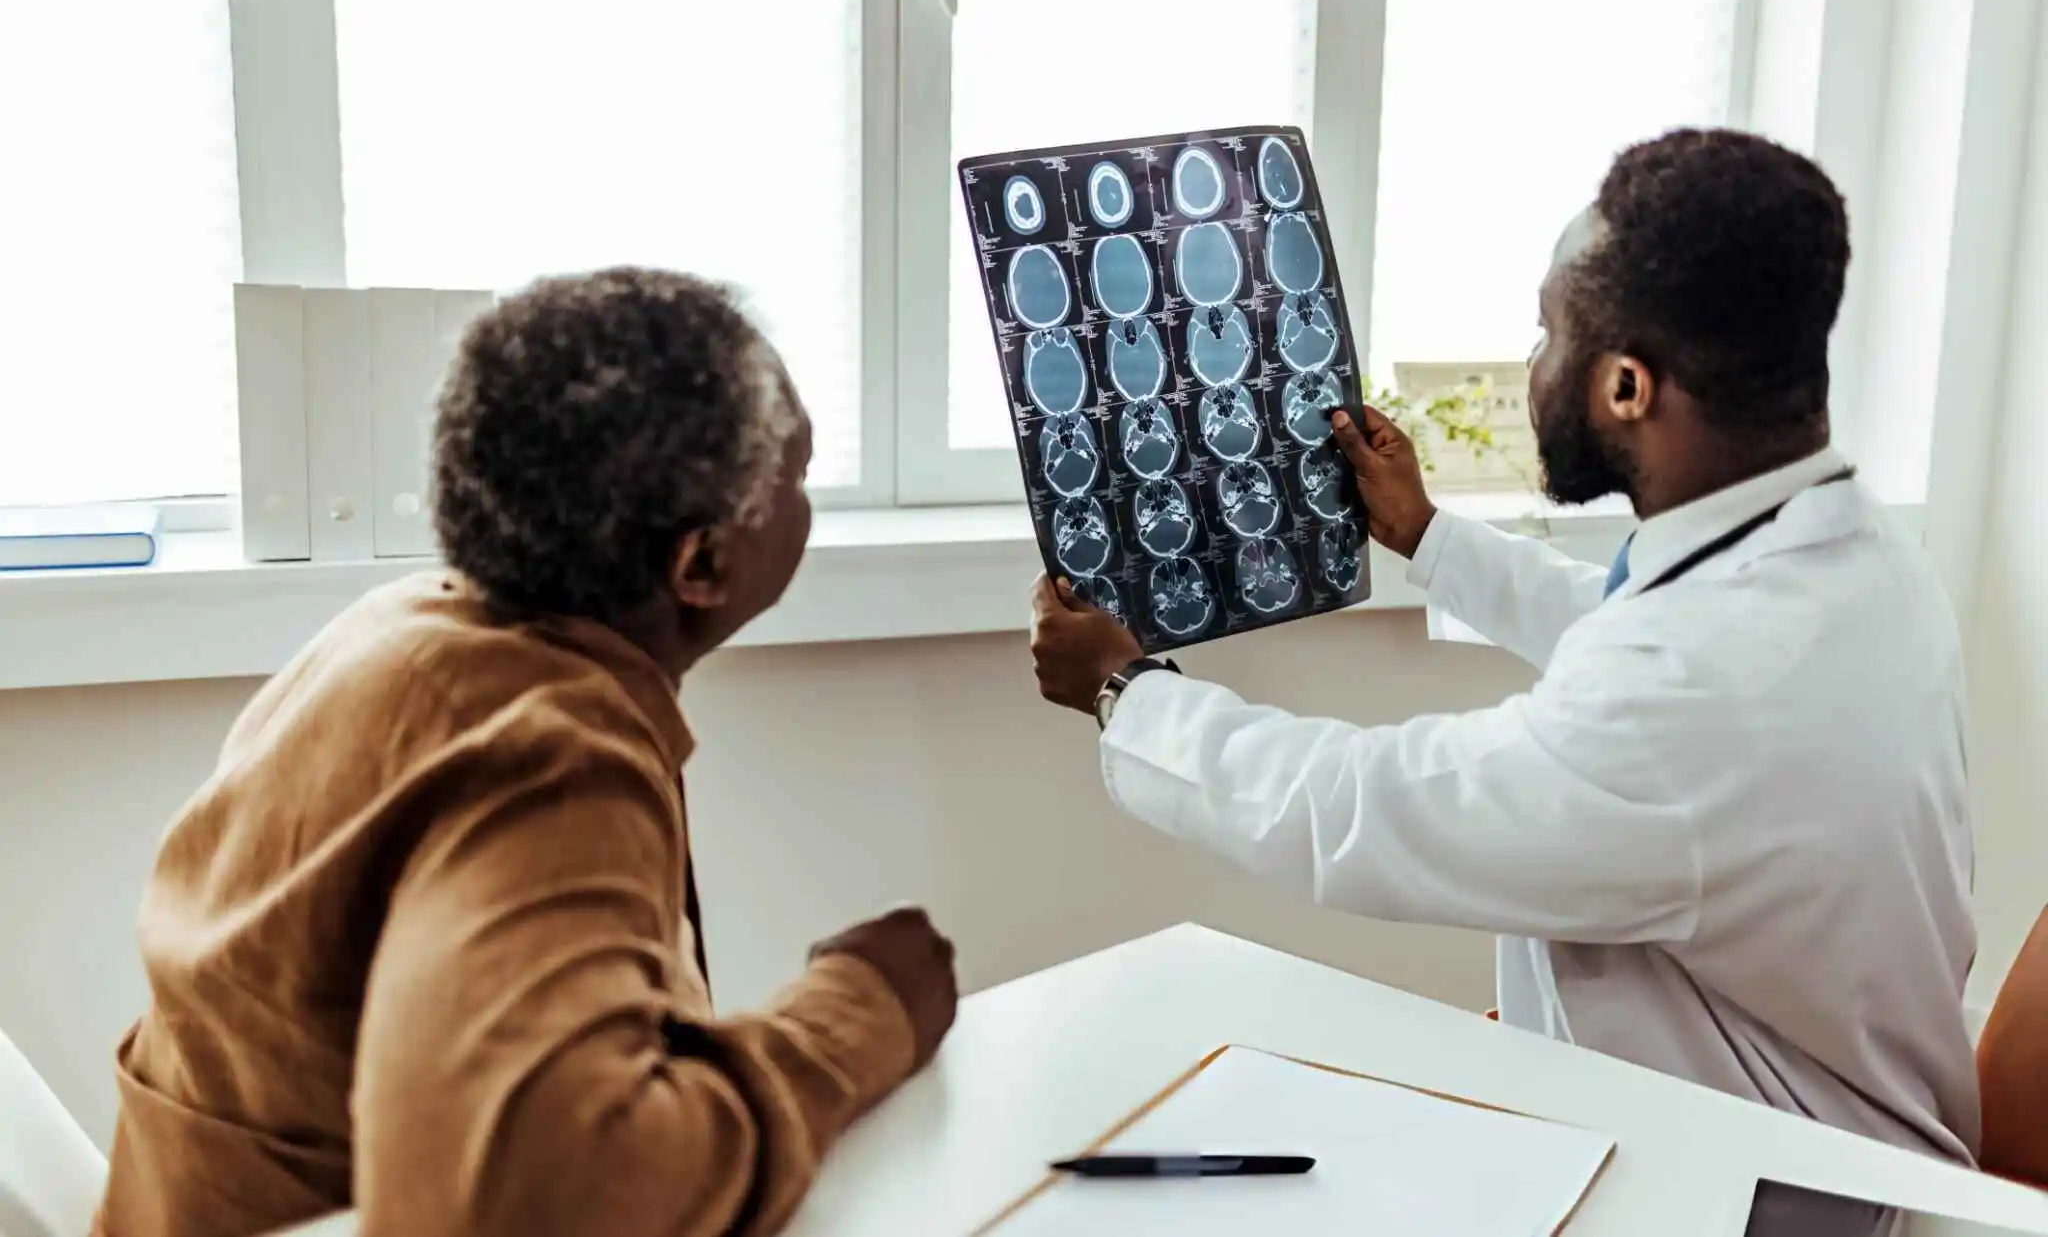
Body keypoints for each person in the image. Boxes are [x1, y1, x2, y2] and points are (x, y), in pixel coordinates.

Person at [1030, 129, 1976, 1237]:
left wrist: (1127, 694)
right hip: (1831, 1138)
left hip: (1760, 1202)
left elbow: (1364, 809)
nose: (1533, 363)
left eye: (1548, 332)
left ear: (1625, 386)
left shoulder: (1694, 692)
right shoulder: (1856, 557)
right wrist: (1430, 538)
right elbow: (1641, 647)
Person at [97, 269, 958, 1237]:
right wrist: (855, 1015)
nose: (805, 501)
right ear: (704, 562)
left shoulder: (398, 630)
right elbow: (538, 1193)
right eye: (796, 475)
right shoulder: (547, 751)